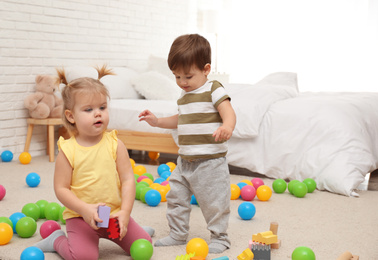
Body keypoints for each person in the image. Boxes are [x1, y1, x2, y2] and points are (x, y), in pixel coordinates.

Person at [34, 65, 154, 259]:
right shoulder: (67, 150)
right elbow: (61, 189)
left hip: (113, 215)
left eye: (102, 107)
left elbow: (128, 180)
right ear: (71, 116)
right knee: (84, 257)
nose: (98, 113)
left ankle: (134, 228)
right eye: (88, 109)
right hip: (81, 218)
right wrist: (85, 209)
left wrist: (124, 213)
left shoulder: (116, 144)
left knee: (144, 244)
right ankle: (57, 240)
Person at [138, 34, 236, 254]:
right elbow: (179, 119)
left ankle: (220, 237)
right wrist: (157, 121)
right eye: (177, 76)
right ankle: (178, 234)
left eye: (188, 76)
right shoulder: (184, 95)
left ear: (206, 69)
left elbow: (228, 112)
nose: (182, 82)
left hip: (211, 162)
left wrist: (227, 127)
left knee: (215, 202)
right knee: (175, 198)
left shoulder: (214, 89)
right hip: (185, 161)